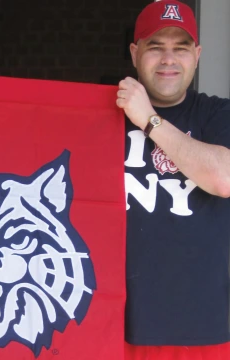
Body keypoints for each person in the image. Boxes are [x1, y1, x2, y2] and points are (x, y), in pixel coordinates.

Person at [117, 1, 230, 359]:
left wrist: (149, 120)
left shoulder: (217, 113)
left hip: (201, 328)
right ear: (135, 53)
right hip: (112, 324)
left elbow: (223, 177)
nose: (168, 59)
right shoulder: (99, 114)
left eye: (180, 48)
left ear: (197, 55)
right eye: (155, 47)